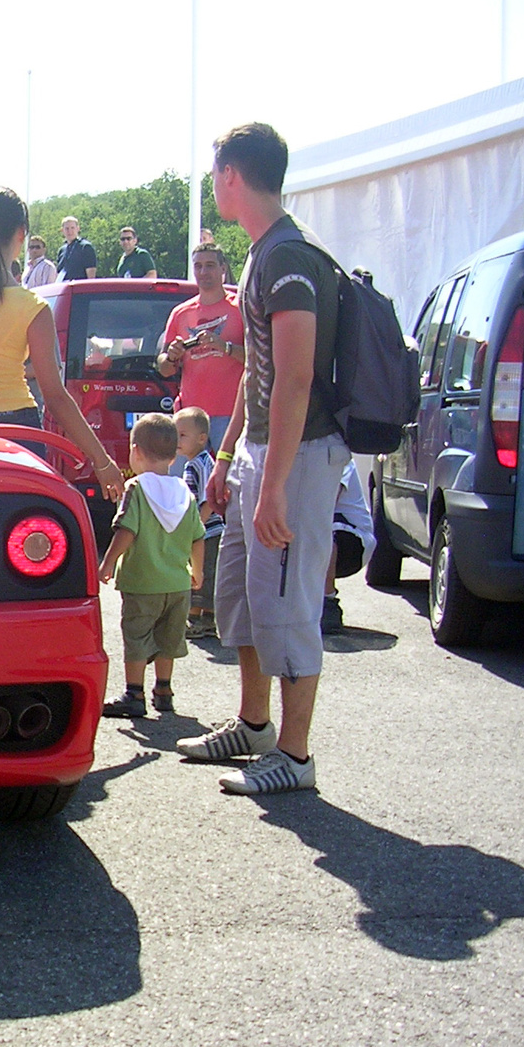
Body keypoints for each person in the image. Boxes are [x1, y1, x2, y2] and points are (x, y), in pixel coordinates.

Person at [177, 122, 351, 796]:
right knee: (243, 597)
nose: (213, 182)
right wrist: (226, 456)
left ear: (231, 175)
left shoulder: (288, 258)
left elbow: (297, 378)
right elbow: (259, 371)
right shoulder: (263, 252)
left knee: (288, 603)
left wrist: (273, 483)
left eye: (215, 172)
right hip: (260, 452)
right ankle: (254, 727)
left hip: (298, 456)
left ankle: (295, 757)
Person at [0, 188, 124, 507]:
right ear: (21, 234)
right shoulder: (33, 307)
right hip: (18, 434)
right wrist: (102, 461)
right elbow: (56, 397)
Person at [98, 414, 207, 718]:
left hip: (142, 583)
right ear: (174, 456)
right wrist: (197, 571)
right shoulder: (185, 493)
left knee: (136, 637)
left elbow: (126, 531)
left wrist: (107, 563)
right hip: (178, 585)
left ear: (136, 452)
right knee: (168, 639)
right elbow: (198, 538)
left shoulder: (136, 488)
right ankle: (164, 690)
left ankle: (134, 694)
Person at [155, 242, 245, 453]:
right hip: (190, 417)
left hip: (232, 415)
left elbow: (260, 358)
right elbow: (163, 367)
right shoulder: (181, 312)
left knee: (229, 482)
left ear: (223, 269)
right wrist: (171, 357)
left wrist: (226, 347)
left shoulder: (240, 308)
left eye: (210, 265)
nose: (203, 272)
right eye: (198, 266)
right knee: (188, 482)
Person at [176, 406, 223, 638]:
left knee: (204, 571)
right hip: (200, 530)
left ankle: (202, 618)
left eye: (183, 435)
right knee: (198, 570)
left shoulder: (202, 463)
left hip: (209, 531)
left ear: (202, 438)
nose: (177, 440)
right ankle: (199, 616)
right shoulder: (191, 463)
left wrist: (198, 528)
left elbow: (209, 499)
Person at [322, 461, 375, 634]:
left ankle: (328, 602)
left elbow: (326, 503)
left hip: (352, 543)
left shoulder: (336, 455)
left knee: (319, 525)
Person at [56, 216, 97, 280]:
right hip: (65, 287)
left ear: (78, 229)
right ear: (62, 230)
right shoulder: (62, 250)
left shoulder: (86, 247)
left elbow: (91, 277)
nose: (70, 231)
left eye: (72, 228)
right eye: (67, 228)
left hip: (79, 288)